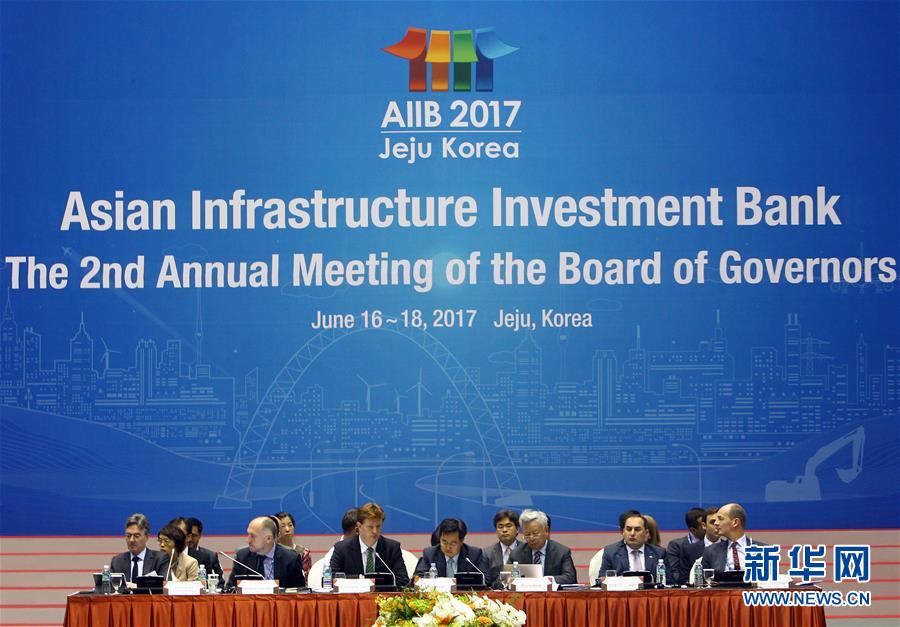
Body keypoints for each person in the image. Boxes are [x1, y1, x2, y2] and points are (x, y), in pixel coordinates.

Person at [328, 502, 410, 587]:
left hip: (383, 595)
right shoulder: (342, 549)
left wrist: (372, 583)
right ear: (359, 526)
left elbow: (403, 581)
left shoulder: (392, 548)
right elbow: (331, 580)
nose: (375, 531)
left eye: (378, 526)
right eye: (370, 527)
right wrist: (365, 582)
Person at [226, 516, 305, 589]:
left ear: (268, 539)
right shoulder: (242, 556)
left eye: (253, 536)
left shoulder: (291, 559)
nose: (248, 541)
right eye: (248, 534)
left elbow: (299, 592)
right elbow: (230, 589)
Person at [414, 518, 496, 587]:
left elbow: (486, 580)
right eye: (444, 542)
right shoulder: (430, 554)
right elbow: (418, 579)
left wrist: (455, 582)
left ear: (462, 541)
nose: (448, 547)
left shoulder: (474, 555)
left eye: (453, 543)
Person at [509, 509, 576, 585]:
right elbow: (506, 579)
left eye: (535, 533)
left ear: (546, 530)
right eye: (527, 535)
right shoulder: (516, 554)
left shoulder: (561, 552)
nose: (532, 538)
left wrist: (547, 580)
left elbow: (570, 578)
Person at [599, 510, 669, 579]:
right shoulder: (610, 552)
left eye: (637, 529)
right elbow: (602, 581)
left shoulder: (659, 553)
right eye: (629, 529)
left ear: (646, 533)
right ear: (623, 532)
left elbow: (669, 581)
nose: (632, 533)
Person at [701, 503, 763, 574]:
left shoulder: (763, 550)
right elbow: (704, 579)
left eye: (720, 519)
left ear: (735, 522)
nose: (716, 523)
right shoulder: (710, 551)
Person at [110, 513, 170, 584]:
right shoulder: (117, 561)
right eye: (128, 536)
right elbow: (111, 586)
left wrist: (137, 587)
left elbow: (164, 585)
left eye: (136, 536)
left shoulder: (160, 559)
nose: (131, 540)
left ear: (147, 537)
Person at [665, 507, 706, 585]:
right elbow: (674, 573)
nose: (706, 527)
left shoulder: (714, 544)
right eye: (703, 525)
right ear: (692, 529)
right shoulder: (676, 545)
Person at [275, 511, 312, 579]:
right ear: (276, 530)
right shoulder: (271, 552)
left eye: (290, 525)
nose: (287, 529)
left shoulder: (304, 553)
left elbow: (306, 579)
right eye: (282, 526)